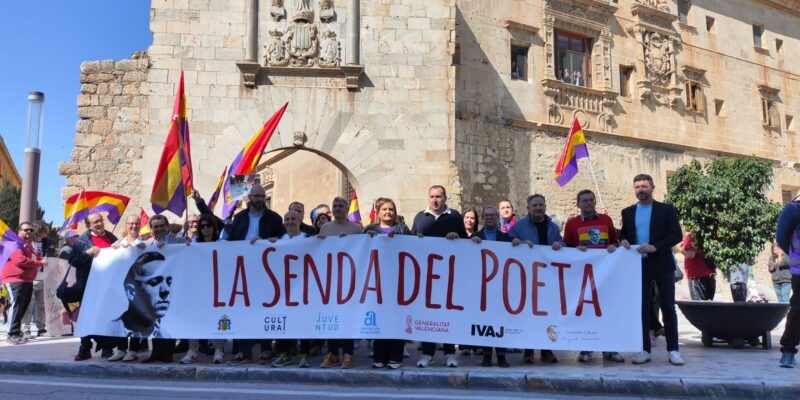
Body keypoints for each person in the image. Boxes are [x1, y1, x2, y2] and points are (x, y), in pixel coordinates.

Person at [619, 174, 684, 366]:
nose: (641, 189)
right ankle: (644, 349)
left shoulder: (666, 209)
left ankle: (673, 350)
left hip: (662, 263)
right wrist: (622, 239)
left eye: (644, 186)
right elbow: (625, 233)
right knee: (642, 308)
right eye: (637, 186)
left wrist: (655, 246)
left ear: (652, 187)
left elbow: (676, 235)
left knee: (668, 307)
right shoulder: (627, 212)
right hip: (638, 265)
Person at [225, 185, 286, 366]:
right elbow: (231, 240)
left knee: (265, 310)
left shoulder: (274, 218)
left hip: (266, 272)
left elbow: (284, 240)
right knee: (244, 311)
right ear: (249, 198)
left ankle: (266, 350)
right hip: (243, 271)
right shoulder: (239, 218)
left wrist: (271, 241)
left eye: (262, 196)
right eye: (256, 196)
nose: (259, 199)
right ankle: (244, 352)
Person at [562, 190, 625, 364]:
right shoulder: (572, 224)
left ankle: (610, 348)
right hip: (583, 276)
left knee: (607, 311)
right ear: (578, 204)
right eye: (584, 200)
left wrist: (613, 245)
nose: (588, 203)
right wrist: (575, 251)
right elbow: (566, 247)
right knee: (586, 312)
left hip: (605, 274)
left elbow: (614, 241)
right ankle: (586, 348)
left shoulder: (606, 220)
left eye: (591, 200)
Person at [411, 185, 468, 368]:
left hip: (449, 275)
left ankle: (450, 353)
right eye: (432, 196)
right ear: (428, 198)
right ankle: (428, 353)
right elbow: (410, 243)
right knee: (429, 315)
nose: (435, 200)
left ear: (445, 198)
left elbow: (466, 242)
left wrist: (457, 237)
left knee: (448, 314)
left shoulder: (455, 216)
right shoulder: (420, 217)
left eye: (439, 196)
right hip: (427, 276)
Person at [509, 194, 564, 364]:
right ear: (528, 208)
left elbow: (563, 243)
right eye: (535, 205)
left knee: (547, 314)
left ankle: (547, 350)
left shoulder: (553, 227)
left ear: (545, 206)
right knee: (528, 314)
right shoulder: (518, 227)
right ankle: (529, 350)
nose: (538, 208)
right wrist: (517, 242)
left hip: (548, 277)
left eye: (541, 204)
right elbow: (507, 242)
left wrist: (559, 245)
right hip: (526, 276)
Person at [364, 198, 412, 369]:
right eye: (384, 209)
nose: (388, 212)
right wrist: (368, 238)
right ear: (378, 212)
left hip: (397, 280)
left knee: (396, 318)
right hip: (375, 281)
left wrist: (398, 238)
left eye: (391, 209)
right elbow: (360, 249)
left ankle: (395, 356)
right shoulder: (370, 229)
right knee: (380, 319)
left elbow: (413, 248)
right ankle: (379, 356)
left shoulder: (402, 229)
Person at [317, 196, 364, 369]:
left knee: (347, 319)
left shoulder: (356, 229)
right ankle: (333, 353)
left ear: (346, 208)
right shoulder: (325, 227)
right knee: (332, 319)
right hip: (329, 281)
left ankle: (348, 354)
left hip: (349, 281)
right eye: (334, 206)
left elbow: (363, 249)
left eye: (340, 206)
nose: (337, 208)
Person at [71, 212, 119, 361]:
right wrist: (87, 253)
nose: (99, 224)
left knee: (106, 317)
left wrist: (119, 248)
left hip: (108, 287)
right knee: (87, 317)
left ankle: (107, 348)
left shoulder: (112, 237)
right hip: (88, 287)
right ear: (88, 226)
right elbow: (73, 261)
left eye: (100, 220)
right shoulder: (82, 242)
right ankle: (85, 348)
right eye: (95, 222)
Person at [267, 210, 312, 368]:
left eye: (294, 218)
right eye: (287, 219)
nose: (290, 221)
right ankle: (283, 354)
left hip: (304, 287)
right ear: (284, 223)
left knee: (303, 322)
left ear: (300, 220)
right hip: (283, 290)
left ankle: (304, 355)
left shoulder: (308, 239)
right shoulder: (280, 240)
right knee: (283, 322)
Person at [138, 214, 185, 364]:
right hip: (154, 288)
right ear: (151, 229)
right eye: (155, 226)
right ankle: (156, 353)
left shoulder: (178, 240)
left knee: (169, 320)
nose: (159, 229)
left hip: (173, 286)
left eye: (161, 226)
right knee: (155, 319)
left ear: (168, 226)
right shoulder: (147, 243)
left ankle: (167, 353)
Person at [179, 214, 226, 365]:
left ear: (214, 227)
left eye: (208, 226)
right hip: (197, 288)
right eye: (202, 226)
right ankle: (192, 351)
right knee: (193, 318)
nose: (205, 229)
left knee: (219, 318)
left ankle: (219, 350)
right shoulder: (193, 244)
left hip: (217, 287)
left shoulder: (222, 244)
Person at [471, 206, 511, 367]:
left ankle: (501, 356)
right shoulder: (474, 237)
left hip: (500, 285)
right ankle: (486, 355)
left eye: (492, 215)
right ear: (482, 217)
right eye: (486, 215)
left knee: (500, 320)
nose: (489, 217)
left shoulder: (506, 238)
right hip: (482, 285)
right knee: (485, 321)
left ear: (497, 217)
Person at [108, 215, 148, 362]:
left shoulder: (145, 243)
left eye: (137, 223)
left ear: (140, 225)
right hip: (120, 286)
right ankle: (121, 349)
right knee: (121, 316)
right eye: (131, 223)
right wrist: (113, 249)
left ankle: (134, 350)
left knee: (135, 316)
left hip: (137, 286)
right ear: (126, 225)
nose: (133, 226)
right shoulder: (118, 243)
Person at [107, 251, 172, 338]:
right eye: (154, 282)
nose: (166, 290)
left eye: (169, 282)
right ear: (131, 292)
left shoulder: (166, 336)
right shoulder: (107, 330)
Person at [1, 221, 47, 345]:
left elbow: (34, 256)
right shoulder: (15, 242)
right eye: (26, 230)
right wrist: (40, 263)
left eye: (31, 230)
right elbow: (20, 260)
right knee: (17, 305)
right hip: (15, 279)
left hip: (27, 279)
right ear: (19, 231)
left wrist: (40, 259)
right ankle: (11, 334)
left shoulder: (27, 244)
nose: (29, 232)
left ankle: (16, 332)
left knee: (23, 306)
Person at [21, 220, 56, 339]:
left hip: (44, 277)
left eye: (46, 230)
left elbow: (52, 259)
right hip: (29, 277)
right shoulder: (26, 243)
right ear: (37, 230)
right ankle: (26, 329)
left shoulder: (50, 242)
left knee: (42, 304)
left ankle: (41, 328)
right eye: (43, 230)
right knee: (27, 304)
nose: (45, 232)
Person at [776, 200, 800, 367]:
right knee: (798, 309)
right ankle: (788, 350)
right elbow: (781, 237)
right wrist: (796, 256)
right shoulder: (793, 210)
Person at [681, 231, 716, 301]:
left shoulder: (691, 235)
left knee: (699, 305)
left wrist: (681, 249)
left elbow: (691, 254)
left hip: (697, 274)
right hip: (710, 272)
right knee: (709, 303)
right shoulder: (710, 232)